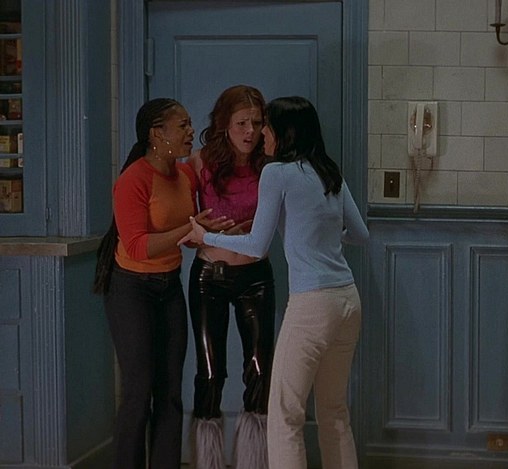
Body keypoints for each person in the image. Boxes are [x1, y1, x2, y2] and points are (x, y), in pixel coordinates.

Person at [179, 96, 369, 469]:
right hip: (347, 300)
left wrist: (206, 237)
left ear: (284, 132)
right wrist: (324, 237)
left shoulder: (277, 173)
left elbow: (256, 245)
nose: (261, 132)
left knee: (285, 416)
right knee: (334, 411)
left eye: (266, 124)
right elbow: (360, 235)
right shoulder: (329, 171)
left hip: (312, 306)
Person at [92, 98, 233, 469]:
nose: (191, 131)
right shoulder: (132, 180)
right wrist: (191, 228)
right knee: (138, 392)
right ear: (157, 134)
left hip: (169, 287)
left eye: (189, 124)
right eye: (182, 125)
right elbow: (138, 246)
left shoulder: (185, 175)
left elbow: (185, 236)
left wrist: (206, 233)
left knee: (170, 392)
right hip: (130, 289)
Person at [187, 84, 275, 469]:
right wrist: (200, 230)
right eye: (241, 123)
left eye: (256, 122)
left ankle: (254, 459)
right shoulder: (198, 162)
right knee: (210, 370)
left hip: (255, 276)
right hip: (210, 276)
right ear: (224, 124)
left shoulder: (271, 166)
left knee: (259, 366)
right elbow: (184, 228)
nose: (250, 131)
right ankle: (207, 459)